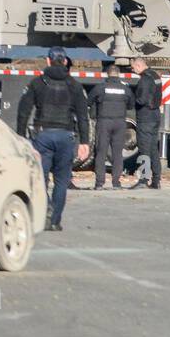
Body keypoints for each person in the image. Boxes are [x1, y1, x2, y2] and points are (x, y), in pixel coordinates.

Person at [17, 47, 89, 231]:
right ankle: (55, 220)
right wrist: (84, 142)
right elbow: (82, 116)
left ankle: (46, 207)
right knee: (61, 181)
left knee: (40, 178)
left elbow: (23, 111)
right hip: (66, 136)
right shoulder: (75, 85)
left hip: (43, 135)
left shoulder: (38, 83)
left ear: (48, 61)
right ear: (65, 61)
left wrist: (20, 137)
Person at [88, 59, 134, 190]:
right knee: (117, 153)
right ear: (119, 74)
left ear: (107, 74)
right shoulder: (125, 89)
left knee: (101, 152)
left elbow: (89, 101)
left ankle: (99, 183)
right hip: (120, 122)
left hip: (104, 122)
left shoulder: (100, 87)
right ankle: (116, 182)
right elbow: (131, 105)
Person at [131, 58, 163, 189]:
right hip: (155, 115)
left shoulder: (144, 79)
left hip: (146, 116)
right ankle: (156, 180)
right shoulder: (155, 75)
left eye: (133, 68)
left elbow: (141, 100)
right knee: (153, 149)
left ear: (139, 66)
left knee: (144, 148)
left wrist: (132, 98)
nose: (133, 70)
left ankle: (144, 180)